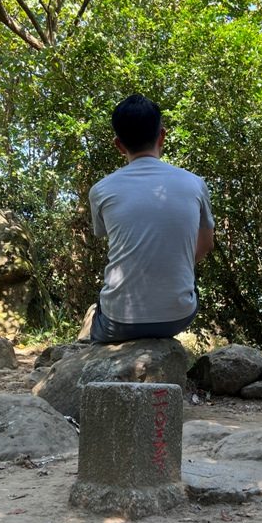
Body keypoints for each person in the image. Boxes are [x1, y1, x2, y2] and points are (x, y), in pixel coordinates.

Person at [88, 94, 215, 343]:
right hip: (178, 314)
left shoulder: (101, 190)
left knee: (96, 326)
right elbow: (207, 243)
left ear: (118, 144)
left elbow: (110, 238)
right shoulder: (194, 183)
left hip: (119, 320)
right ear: (162, 135)